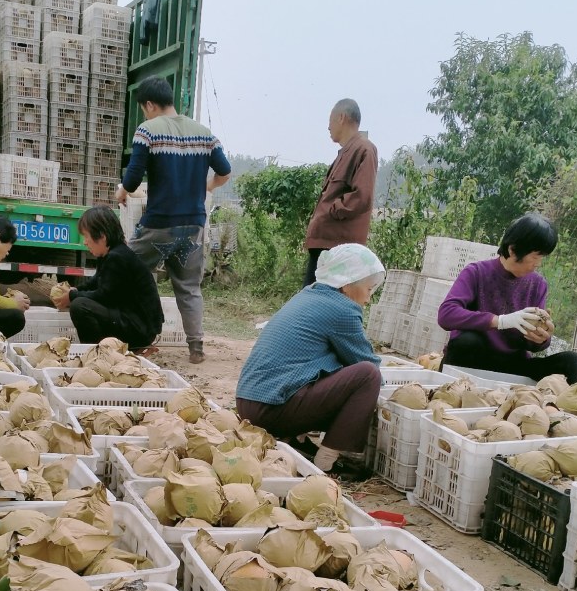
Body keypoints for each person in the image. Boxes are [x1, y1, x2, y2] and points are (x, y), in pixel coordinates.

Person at [236, 244, 384, 477]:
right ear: (347, 285)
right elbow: (366, 362)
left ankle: (296, 438)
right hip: (271, 408)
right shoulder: (342, 308)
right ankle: (327, 462)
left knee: (329, 366)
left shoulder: (310, 294)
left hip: (250, 403)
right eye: (368, 289)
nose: (368, 298)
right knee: (368, 375)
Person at [115, 76, 232, 364]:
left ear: (150, 105)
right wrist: (209, 186)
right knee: (189, 287)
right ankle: (196, 347)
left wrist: (121, 192)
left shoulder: (147, 131)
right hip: (192, 227)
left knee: (127, 273)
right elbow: (225, 171)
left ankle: (128, 337)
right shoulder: (204, 133)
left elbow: (132, 179)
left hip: (158, 225)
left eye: (144, 108)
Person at [437, 212, 577, 383]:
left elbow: (533, 345)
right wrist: (501, 321)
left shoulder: (538, 284)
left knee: (570, 360)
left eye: (542, 258)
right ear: (513, 249)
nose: (538, 264)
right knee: (467, 341)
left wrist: (542, 337)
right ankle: (449, 392)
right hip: (473, 361)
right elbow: (446, 315)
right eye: (535, 257)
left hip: (513, 365)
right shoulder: (476, 272)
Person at [51, 206, 164, 348]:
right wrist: (74, 290)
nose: (85, 242)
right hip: (129, 319)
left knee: (80, 306)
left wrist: (73, 296)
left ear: (102, 237)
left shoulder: (117, 257)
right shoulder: (109, 254)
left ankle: (96, 353)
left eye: (87, 236)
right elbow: (95, 282)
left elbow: (105, 296)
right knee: (80, 301)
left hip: (139, 328)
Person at [303, 99, 378, 288]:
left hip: (337, 246)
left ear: (341, 117)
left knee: (317, 303)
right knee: (311, 300)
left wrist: (332, 210)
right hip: (325, 243)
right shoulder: (345, 152)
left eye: (330, 120)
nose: (328, 127)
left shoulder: (364, 149)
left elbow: (362, 196)